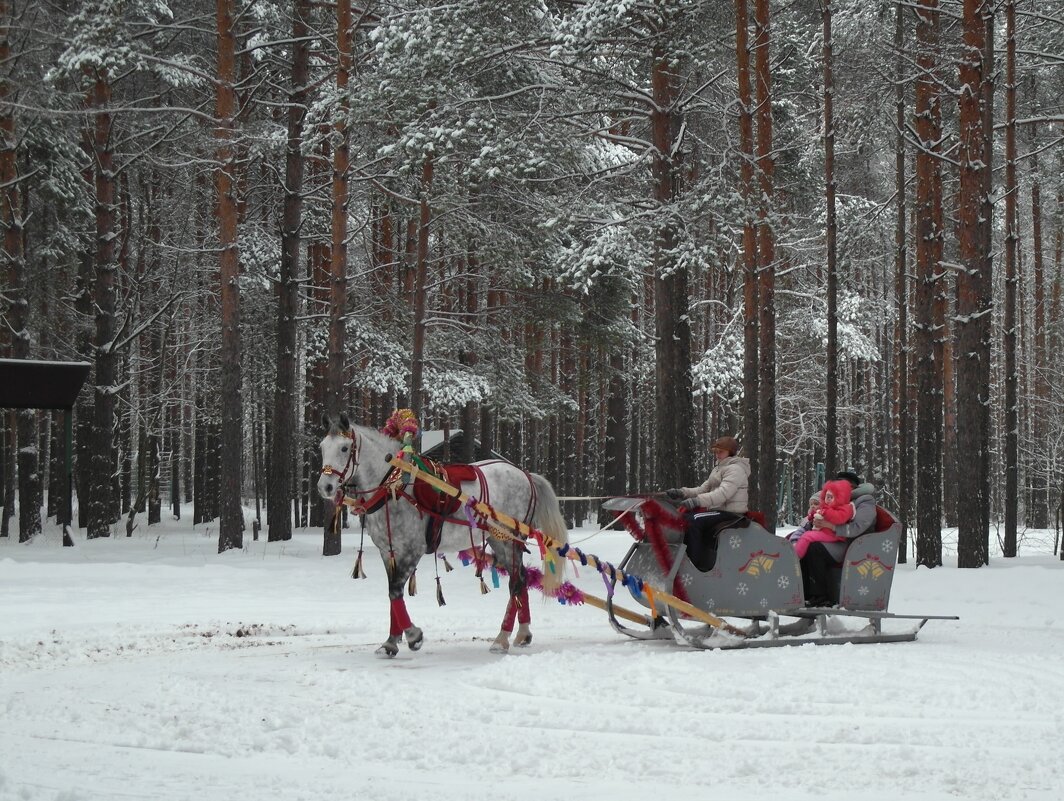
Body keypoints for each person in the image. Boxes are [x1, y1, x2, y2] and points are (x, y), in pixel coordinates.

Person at [665, 436, 750, 570]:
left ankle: (694, 565)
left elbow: (723, 494)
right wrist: (682, 492)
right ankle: (679, 558)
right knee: (684, 517)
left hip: (731, 513)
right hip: (718, 510)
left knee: (694, 520)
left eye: (720, 451)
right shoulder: (718, 469)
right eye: (716, 451)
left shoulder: (735, 469)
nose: (717, 454)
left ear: (731, 452)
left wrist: (696, 501)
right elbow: (702, 489)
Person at [800, 470, 878, 607]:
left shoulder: (864, 501)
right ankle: (804, 593)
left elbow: (858, 527)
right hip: (834, 540)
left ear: (852, 487)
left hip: (853, 546)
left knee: (815, 549)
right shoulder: (837, 498)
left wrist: (830, 526)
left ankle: (821, 596)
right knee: (805, 546)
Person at [792, 479, 852, 559]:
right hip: (824, 531)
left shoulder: (845, 508)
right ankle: (795, 552)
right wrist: (812, 515)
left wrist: (826, 512)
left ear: (838, 497)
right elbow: (818, 512)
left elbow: (839, 518)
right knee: (804, 535)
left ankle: (795, 556)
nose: (829, 499)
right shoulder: (826, 507)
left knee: (807, 536)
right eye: (827, 497)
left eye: (831, 497)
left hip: (833, 534)